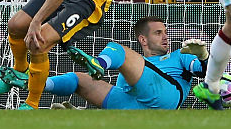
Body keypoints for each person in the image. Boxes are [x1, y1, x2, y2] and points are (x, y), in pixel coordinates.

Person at [43, 16, 210, 109]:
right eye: (158, 33)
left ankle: (99, 63)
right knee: (79, 79)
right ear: (143, 40)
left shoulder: (180, 54)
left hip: (165, 98)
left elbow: (204, 72)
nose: (165, 36)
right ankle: (36, 84)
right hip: (133, 104)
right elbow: (122, 94)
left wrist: (203, 56)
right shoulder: (134, 66)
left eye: (165, 32)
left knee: (119, 50)